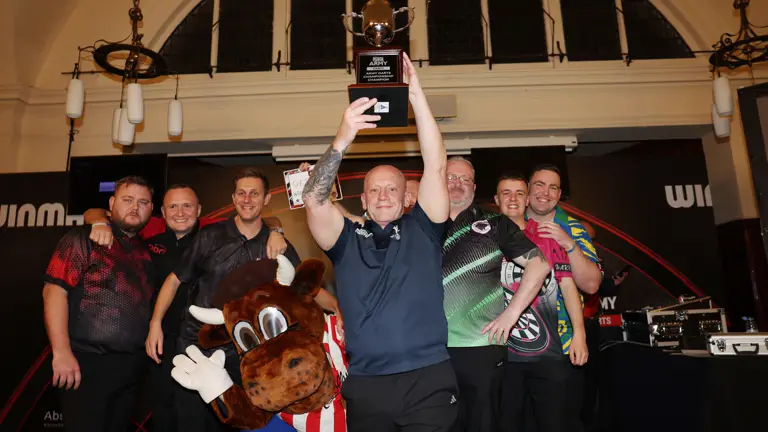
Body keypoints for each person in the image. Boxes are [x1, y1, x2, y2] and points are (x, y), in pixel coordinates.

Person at [302, 53, 457, 431]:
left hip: (429, 382)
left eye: (393, 189)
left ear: (408, 197)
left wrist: (416, 95)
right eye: (375, 189)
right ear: (363, 199)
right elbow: (313, 198)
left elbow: (436, 164)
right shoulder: (345, 240)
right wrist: (343, 137)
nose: (384, 195)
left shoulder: (424, 229)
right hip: (368, 386)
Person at [83, 184, 290, 432]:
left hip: (203, 341)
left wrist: (276, 230)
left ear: (199, 210)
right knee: (164, 412)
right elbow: (95, 212)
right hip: (157, 342)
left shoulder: (212, 236)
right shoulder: (149, 237)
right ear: (161, 211)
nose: (180, 213)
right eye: (173, 206)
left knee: (210, 414)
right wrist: (98, 223)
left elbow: (257, 215)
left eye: (187, 206)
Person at [153, 169, 340, 432]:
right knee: (191, 424)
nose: (247, 198)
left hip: (248, 358)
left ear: (265, 199)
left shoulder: (279, 244)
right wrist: (155, 324)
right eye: (241, 193)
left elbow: (306, 289)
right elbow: (174, 280)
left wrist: (337, 309)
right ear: (233, 198)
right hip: (198, 348)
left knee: (240, 425)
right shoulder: (209, 237)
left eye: (254, 193)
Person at [441, 156, 551, 432]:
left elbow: (540, 265)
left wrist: (511, 315)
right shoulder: (420, 225)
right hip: (429, 350)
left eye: (465, 179)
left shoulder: (495, 223)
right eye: (451, 178)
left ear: (474, 187)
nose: (458, 184)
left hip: (480, 348)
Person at [42, 176, 156, 432]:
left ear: (151, 208)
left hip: (130, 369)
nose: (135, 207)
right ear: (112, 203)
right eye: (127, 200)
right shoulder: (84, 238)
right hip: (86, 364)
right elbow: (54, 292)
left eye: (143, 202)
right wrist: (61, 352)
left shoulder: (145, 252)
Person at [495, 171, 588, 432]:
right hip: (502, 355)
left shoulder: (547, 236)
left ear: (527, 201)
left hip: (547, 355)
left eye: (519, 193)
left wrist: (579, 333)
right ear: (496, 199)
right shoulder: (485, 238)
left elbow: (568, 285)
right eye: (506, 193)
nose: (513, 199)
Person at [525, 164, 603, 432]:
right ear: (527, 189)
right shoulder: (508, 224)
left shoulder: (572, 228)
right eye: (539, 185)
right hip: (515, 347)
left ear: (559, 195)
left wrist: (568, 244)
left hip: (563, 346)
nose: (545, 192)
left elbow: (591, 284)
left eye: (553, 187)